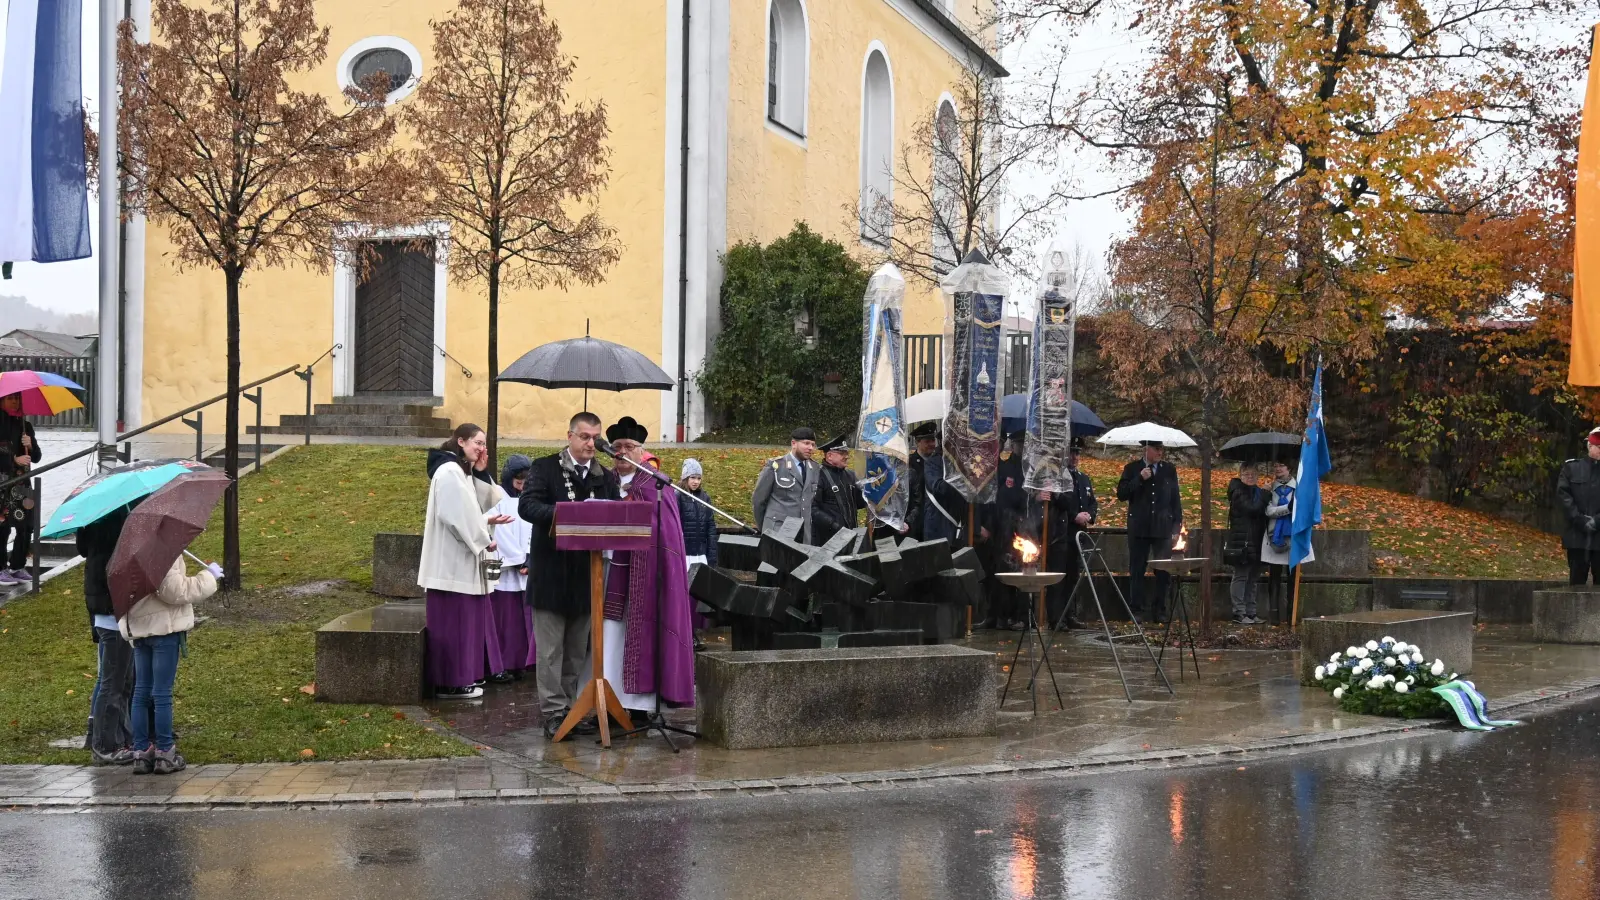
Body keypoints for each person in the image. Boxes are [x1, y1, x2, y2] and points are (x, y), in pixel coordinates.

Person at [521, 412, 620, 739]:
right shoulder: (544, 467)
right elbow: (528, 507)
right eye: (585, 437)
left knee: (577, 651)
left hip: (585, 579)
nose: (591, 444)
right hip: (551, 575)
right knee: (550, 652)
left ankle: (569, 708)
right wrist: (569, 515)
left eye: (595, 438)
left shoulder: (605, 476)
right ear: (570, 436)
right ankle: (552, 712)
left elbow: (617, 517)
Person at [418, 424, 514, 701]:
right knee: (453, 624)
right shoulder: (449, 472)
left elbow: (476, 507)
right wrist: (484, 538)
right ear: (460, 441)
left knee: (465, 624)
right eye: (477, 443)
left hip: (460, 560)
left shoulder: (460, 471)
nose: (482, 448)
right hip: (450, 564)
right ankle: (450, 682)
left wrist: (482, 474)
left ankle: (462, 678)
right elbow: (455, 517)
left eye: (484, 444)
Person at [601, 449, 696, 718]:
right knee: (608, 640)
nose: (621, 452)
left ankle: (639, 706)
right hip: (604, 570)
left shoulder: (655, 484)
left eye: (628, 446)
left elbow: (665, 531)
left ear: (640, 451)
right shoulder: (604, 479)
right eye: (616, 445)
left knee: (640, 637)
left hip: (642, 573)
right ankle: (608, 704)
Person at [121, 554, 222, 775]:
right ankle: (165, 753)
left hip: (139, 629)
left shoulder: (127, 552)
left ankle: (140, 752)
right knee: (161, 693)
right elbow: (175, 591)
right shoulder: (163, 550)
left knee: (141, 692)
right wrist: (209, 576)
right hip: (164, 629)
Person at [78, 504, 137, 765]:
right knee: (113, 685)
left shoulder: (92, 526)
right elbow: (114, 576)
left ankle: (121, 737)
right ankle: (104, 745)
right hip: (113, 618)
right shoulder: (112, 534)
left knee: (122, 683)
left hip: (108, 616)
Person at [1117, 440, 1182, 622]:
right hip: (1139, 527)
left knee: (1163, 570)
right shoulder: (1132, 468)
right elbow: (1121, 494)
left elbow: (1175, 499)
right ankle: (1136, 609)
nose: (1160, 452)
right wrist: (1139, 479)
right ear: (1146, 449)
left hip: (1162, 527)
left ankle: (1160, 610)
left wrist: (1177, 526)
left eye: (1162, 449)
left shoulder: (1169, 470)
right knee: (1137, 569)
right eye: (1156, 449)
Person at [490, 454, 535, 679]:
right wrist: (518, 558)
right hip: (507, 569)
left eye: (527, 478)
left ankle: (524, 663)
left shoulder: (530, 498)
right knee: (505, 621)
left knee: (523, 619)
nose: (522, 483)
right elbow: (500, 531)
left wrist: (530, 555)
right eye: (518, 478)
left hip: (525, 567)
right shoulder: (496, 497)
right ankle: (504, 664)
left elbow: (532, 528)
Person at [1043, 442, 1097, 629]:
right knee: (1059, 577)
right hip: (1062, 533)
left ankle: (1070, 614)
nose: (1075, 457)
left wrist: (1089, 515)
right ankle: (1056, 618)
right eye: (1072, 453)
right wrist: (1075, 515)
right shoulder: (1059, 478)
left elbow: (1091, 502)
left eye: (1077, 454)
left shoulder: (1083, 478)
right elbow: (1061, 502)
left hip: (1079, 535)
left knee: (1073, 577)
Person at [981, 432, 1029, 630]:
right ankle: (996, 615)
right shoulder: (1003, 467)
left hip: (1022, 527)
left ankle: (1017, 616)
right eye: (1018, 443)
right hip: (1001, 527)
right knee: (997, 573)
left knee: (1019, 574)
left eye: (1023, 443)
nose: (1021, 447)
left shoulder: (1029, 469)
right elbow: (992, 499)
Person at [1259, 460, 1313, 621]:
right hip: (1274, 536)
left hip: (1294, 537)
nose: (1278, 468)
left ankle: (1292, 614)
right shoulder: (1270, 488)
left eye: (1281, 465)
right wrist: (1286, 509)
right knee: (1274, 576)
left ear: (1289, 468)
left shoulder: (1300, 488)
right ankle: (1274, 615)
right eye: (1275, 466)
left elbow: (1305, 510)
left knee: (1293, 578)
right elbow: (1268, 510)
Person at [0, 392, 41, 585]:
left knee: (26, 526)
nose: (15, 401)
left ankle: (17, 566)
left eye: (17, 398)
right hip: (4, 483)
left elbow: (37, 457)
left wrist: (30, 445)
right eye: (10, 398)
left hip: (23, 483)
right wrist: (13, 459)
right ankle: (1, 569)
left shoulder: (25, 425)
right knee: (3, 526)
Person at [752, 427, 820, 541]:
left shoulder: (814, 468)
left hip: (803, 533)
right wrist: (764, 526)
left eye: (813, 445)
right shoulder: (776, 466)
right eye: (806, 443)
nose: (810, 448)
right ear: (794, 443)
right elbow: (758, 500)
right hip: (778, 530)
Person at [1225, 462, 1270, 625]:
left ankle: (1251, 612)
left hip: (1257, 539)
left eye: (1253, 474)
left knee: (1253, 578)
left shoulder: (1257, 491)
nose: (1250, 477)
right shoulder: (1238, 491)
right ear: (1240, 475)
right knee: (1241, 576)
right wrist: (1265, 493)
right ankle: (1239, 612)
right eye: (1246, 474)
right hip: (1242, 541)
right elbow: (1252, 509)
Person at [1559, 428, 1600, 584]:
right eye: (1599, 447)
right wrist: (1580, 520)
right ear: (1590, 446)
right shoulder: (1572, 468)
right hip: (1577, 537)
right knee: (1576, 585)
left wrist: (1596, 521)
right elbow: (1564, 497)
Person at [811, 434, 862, 544]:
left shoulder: (851, 475)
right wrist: (834, 526)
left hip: (850, 535)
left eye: (847, 453)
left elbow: (858, 504)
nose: (847, 456)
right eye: (842, 453)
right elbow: (813, 509)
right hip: (827, 540)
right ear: (829, 456)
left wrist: (871, 493)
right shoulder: (818, 476)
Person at [677, 459, 718, 569]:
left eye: (699, 478)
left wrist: (711, 556)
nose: (696, 481)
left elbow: (711, 527)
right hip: (683, 553)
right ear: (685, 477)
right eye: (693, 477)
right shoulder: (678, 496)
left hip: (701, 553)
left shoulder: (704, 497)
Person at [904, 423, 938, 541]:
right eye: (927, 441)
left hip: (935, 519)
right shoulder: (909, 464)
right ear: (918, 442)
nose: (932, 444)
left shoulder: (938, 462)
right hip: (916, 522)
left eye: (933, 440)